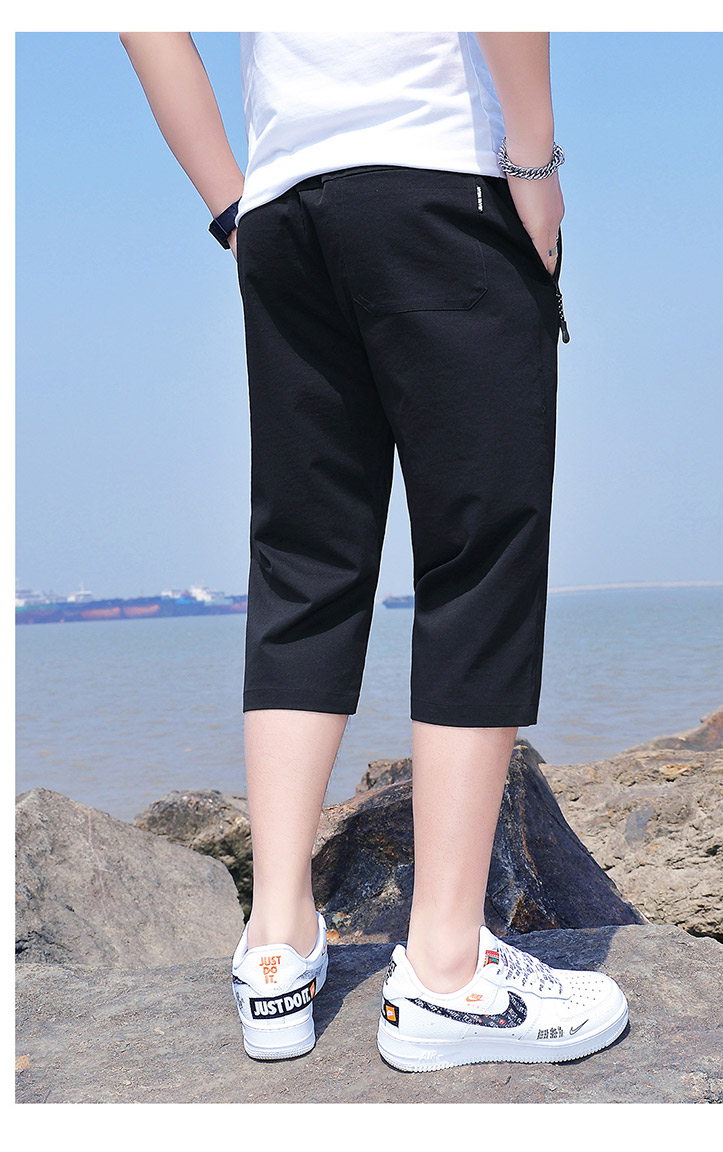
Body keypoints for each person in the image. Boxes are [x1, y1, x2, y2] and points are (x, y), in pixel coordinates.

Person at [119, 30, 628, 1072]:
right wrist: (533, 168)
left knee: (304, 563)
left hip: (284, 209)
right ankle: (444, 968)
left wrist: (234, 205)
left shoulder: (267, 210)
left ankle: (275, 944)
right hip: (441, 183)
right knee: (477, 559)